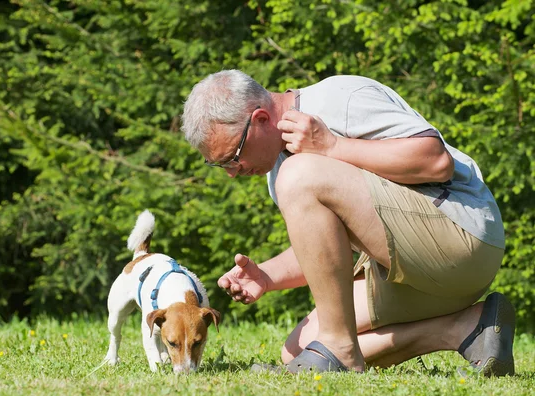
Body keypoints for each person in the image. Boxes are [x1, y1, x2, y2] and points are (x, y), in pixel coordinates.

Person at [180, 69, 515, 376]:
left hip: (464, 235)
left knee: (299, 175)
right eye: (220, 165)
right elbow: (327, 247)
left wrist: (332, 146)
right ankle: (467, 327)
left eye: (233, 158)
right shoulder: (281, 169)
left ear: (262, 118)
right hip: (417, 269)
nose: (232, 173)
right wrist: (266, 276)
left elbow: (435, 160)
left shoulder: (338, 98)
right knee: (300, 348)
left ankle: (341, 350)